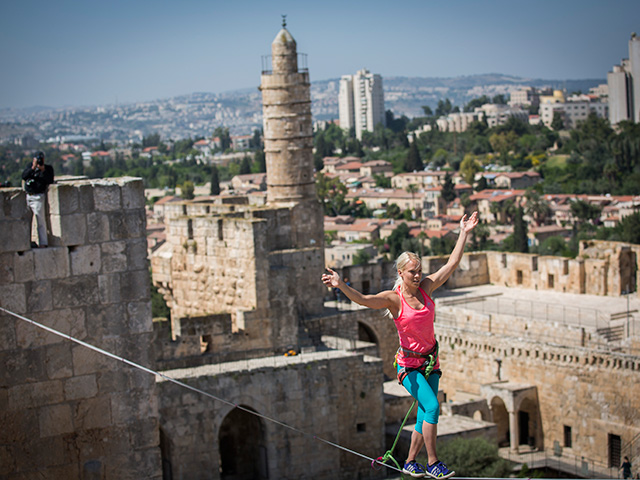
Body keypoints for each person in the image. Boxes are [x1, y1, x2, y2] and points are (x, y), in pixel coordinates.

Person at [322, 211, 478, 479]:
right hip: (409, 365)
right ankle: (433, 462)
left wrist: (463, 233)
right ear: (401, 273)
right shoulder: (394, 300)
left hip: (431, 362)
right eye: (412, 272)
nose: (418, 276)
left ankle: (409, 461)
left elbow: (451, 264)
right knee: (432, 408)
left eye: (419, 271)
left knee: (422, 414)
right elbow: (363, 299)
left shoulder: (427, 288)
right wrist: (340, 285)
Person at [22, 151, 54, 248]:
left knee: (40, 220)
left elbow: (49, 180)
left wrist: (43, 171)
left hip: (38, 196)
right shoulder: (30, 167)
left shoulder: (48, 168)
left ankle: (43, 243)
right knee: (26, 221)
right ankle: (27, 242)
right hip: (28, 196)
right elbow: (24, 176)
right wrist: (33, 167)